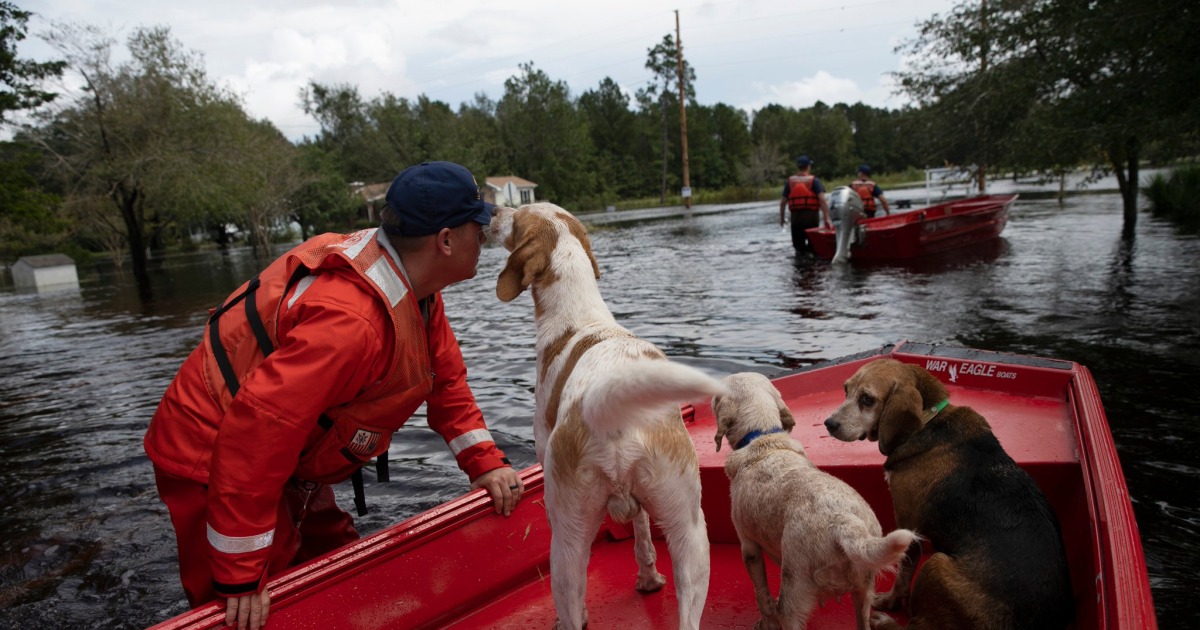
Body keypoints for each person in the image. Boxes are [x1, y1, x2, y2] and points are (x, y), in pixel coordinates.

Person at [144, 161, 522, 630]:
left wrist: (485, 462)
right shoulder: (351, 322)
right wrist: (241, 574)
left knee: (335, 556)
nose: (483, 237)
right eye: (477, 227)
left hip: (284, 449)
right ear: (445, 241)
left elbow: (446, 382)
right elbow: (256, 431)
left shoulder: (418, 285)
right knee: (255, 603)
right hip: (211, 451)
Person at [779, 155, 832, 255]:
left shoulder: (790, 182)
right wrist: (826, 218)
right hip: (811, 217)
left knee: (799, 249)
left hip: (795, 219)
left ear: (798, 167)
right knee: (813, 247)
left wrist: (782, 219)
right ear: (808, 167)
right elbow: (822, 200)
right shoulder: (814, 181)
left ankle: (800, 268)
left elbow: (782, 203)